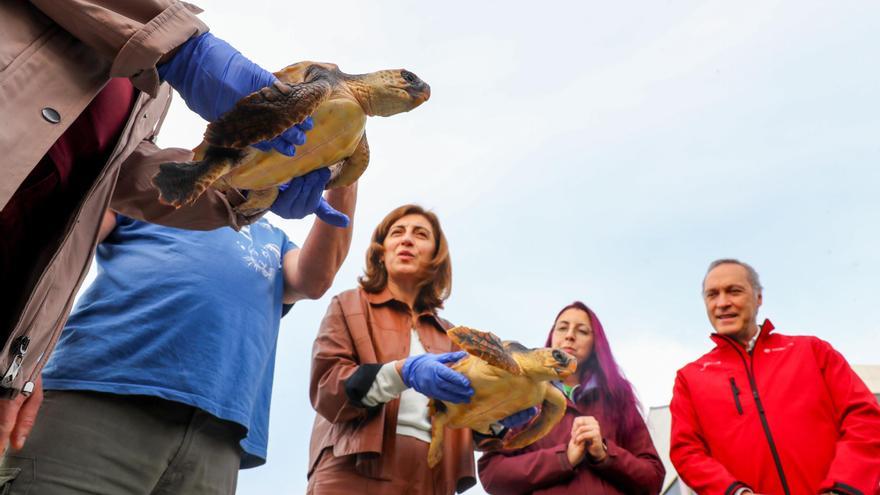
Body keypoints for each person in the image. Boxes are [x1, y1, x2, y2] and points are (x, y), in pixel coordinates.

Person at [0, 0, 349, 451]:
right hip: (103, 390)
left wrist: (243, 188)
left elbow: (122, 176)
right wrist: (185, 49)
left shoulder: (152, 86)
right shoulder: (160, 42)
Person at [0, 175, 354, 493]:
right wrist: (23, 353)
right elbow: (63, 243)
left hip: (215, 438)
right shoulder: (156, 187)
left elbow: (314, 279)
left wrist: (345, 173)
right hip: (95, 398)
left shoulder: (275, 240)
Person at [306, 204, 534, 495]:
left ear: (436, 257)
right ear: (381, 250)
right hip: (351, 476)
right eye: (397, 232)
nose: (407, 240)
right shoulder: (348, 306)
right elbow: (328, 390)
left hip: (432, 480)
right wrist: (403, 372)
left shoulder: (454, 337)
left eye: (421, 234)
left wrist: (496, 418)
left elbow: (467, 416)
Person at [670, 259, 880, 495]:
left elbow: (865, 419)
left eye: (734, 291)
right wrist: (735, 493)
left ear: (759, 298)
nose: (722, 303)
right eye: (712, 295)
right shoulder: (690, 379)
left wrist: (843, 489)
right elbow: (687, 452)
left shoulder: (813, 351)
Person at [477, 301, 665, 495]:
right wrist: (563, 458)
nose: (569, 335)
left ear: (596, 343)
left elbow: (653, 478)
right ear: (552, 337)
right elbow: (492, 473)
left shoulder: (618, 397)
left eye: (582, 331)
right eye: (562, 328)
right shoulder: (523, 394)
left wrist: (605, 454)